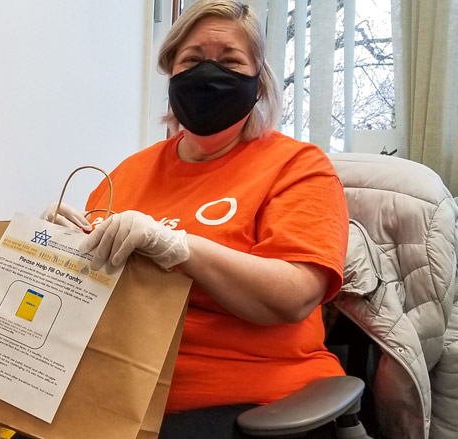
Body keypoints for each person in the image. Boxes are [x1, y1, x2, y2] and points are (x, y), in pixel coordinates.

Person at [43, 1, 349, 437]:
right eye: (192, 60)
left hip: (254, 403)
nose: (209, 74)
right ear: (172, 73)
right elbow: (87, 298)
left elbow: (295, 295)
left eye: (229, 61)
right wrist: (56, 249)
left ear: (257, 83)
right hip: (116, 392)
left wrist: (180, 246)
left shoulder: (298, 167)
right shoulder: (128, 174)